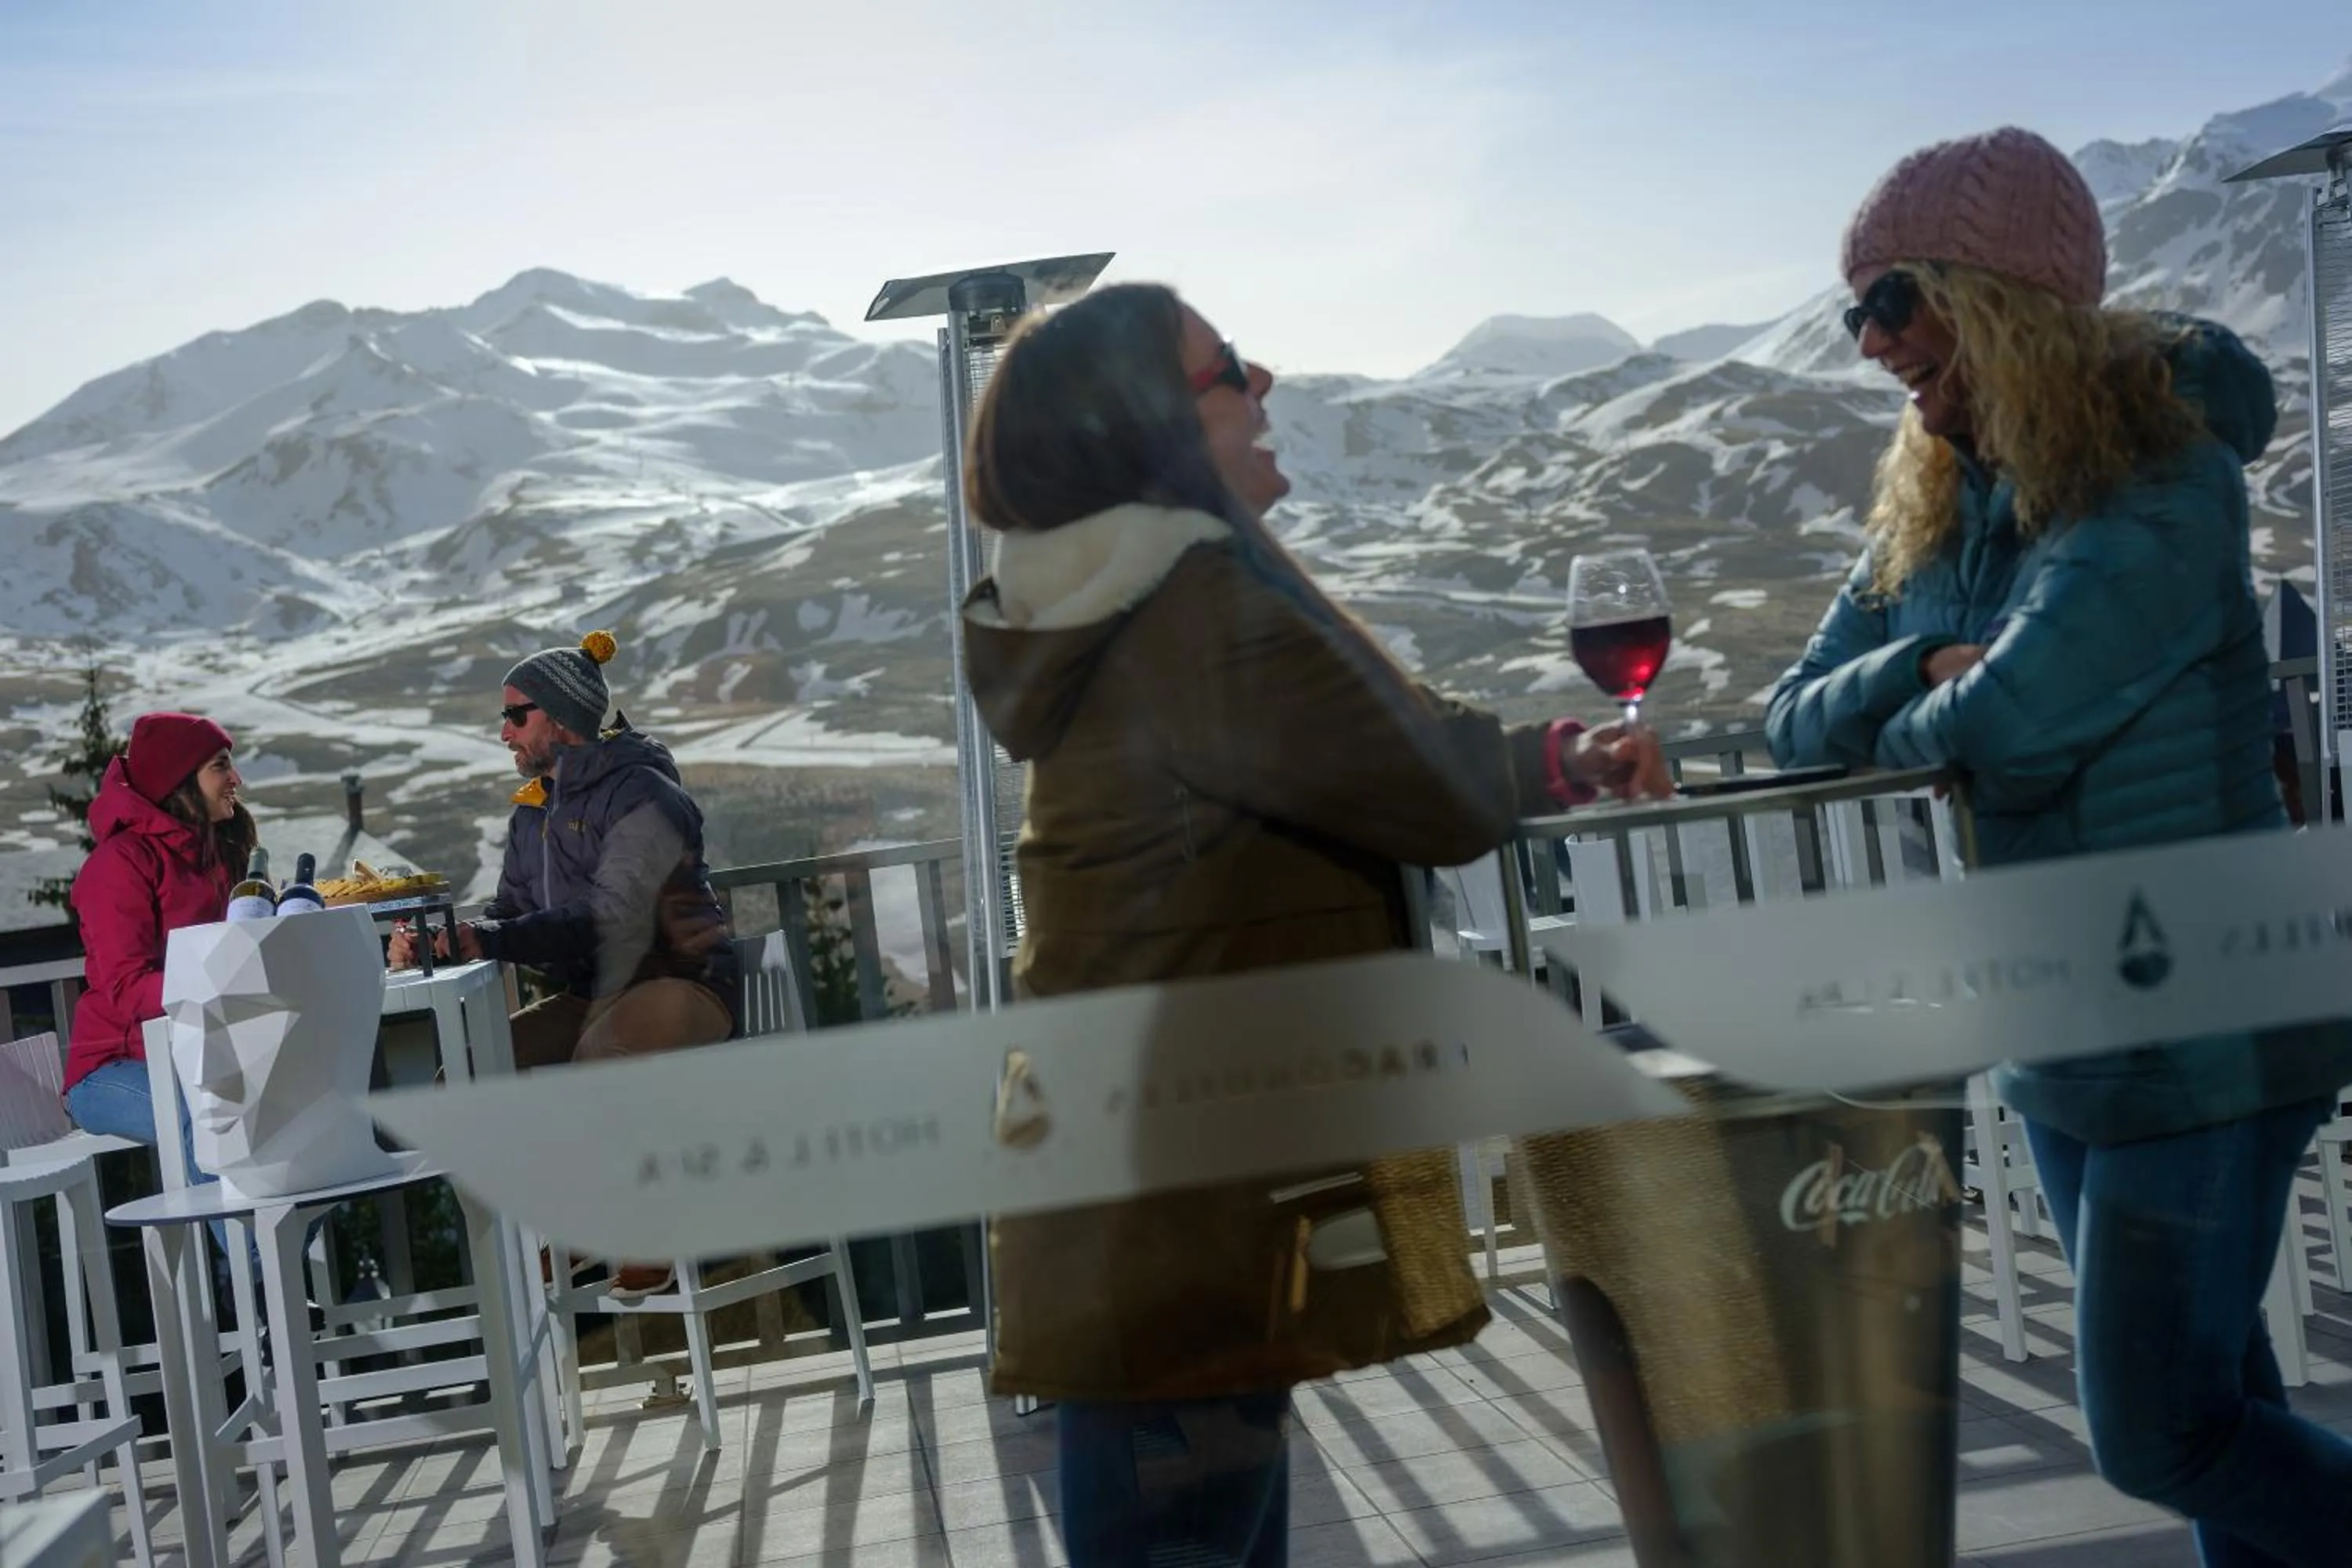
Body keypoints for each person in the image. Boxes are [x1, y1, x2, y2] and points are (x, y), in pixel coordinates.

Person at [959, 282, 1672, 1568]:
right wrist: (1571, 757)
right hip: (1181, 1219)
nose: (1267, 379)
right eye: (1230, 365)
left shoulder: (1143, 608)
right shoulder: (1194, 621)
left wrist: (1558, 756)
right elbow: (1420, 778)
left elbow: (1373, 751)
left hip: (1162, 1204)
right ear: (1152, 427)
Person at [1766, 126, 2352, 1566]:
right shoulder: (1946, 494)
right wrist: (1922, 675)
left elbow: (2021, 722)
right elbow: (1792, 717)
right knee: (2222, 1401)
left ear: (2001, 295)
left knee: (2159, 1432)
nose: (1868, 343)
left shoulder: (2164, 476)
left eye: (1893, 300)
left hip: (2204, 1018)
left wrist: (1956, 689)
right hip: (2066, 1019)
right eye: (1855, 312)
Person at [390, 630, 738, 1298]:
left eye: (515, 715)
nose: (505, 733)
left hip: (683, 983)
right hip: (593, 995)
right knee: (462, 1079)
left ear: (560, 717)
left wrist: (489, 941)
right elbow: (509, 912)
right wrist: (452, 937)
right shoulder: (533, 814)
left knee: (603, 1054)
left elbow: (618, 915)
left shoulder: (642, 792)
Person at [64, 712, 251, 1254]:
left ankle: (271, 1274)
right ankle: (259, 1281)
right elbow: (124, 989)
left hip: (202, 1056)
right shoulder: (118, 865)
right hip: (111, 1070)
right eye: (221, 766)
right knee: (202, 1109)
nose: (235, 779)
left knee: (295, 1100)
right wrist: (217, 984)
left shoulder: (220, 853)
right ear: (180, 781)